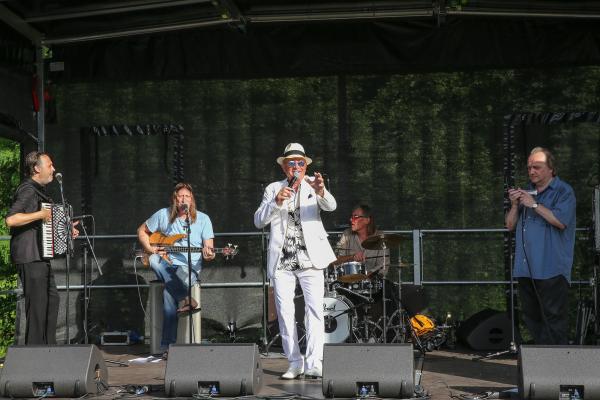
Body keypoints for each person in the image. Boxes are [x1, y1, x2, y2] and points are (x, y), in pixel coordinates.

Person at [254, 143, 336, 379]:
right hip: (282, 261)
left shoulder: (313, 184)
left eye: (301, 163)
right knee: (285, 312)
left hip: (311, 259)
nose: (297, 167)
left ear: (305, 165)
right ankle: (294, 362)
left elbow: (331, 206)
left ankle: (314, 363)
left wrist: (321, 191)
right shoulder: (273, 189)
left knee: (314, 312)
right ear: (284, 168)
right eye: (291, 163)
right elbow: (259, 221)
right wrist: (276, 202)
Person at [6, 151, 78, 345]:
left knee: (51, 301)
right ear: (37, 168)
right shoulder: (28, 190)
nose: (54, 169)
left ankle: (47, 349)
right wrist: (39, 214)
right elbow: (11, 219)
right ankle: (34, 353)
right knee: (37, 307)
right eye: (50, 165)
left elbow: (47, 221)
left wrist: (67, 228)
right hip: (29, 256)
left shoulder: (40, 191)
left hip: (40, 256)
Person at [505, 147, 576, 345]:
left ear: (551, 169)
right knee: (531, 317)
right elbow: (509, 226)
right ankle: (539, 363)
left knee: (553, 320)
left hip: (551, 268)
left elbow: (560, 222)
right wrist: (513, 205)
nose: (532, 171)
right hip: (526, 269)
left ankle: (555, 368)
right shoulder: (527, 192)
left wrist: (534, 205)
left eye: (537, 167)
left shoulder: (564, 191)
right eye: (529, 168)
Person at [137, 182, 215, 352]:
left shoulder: (203, 219)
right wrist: (150, 248)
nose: (184, 199)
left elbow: (209, 247)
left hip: (189, 267)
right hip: (168, 263)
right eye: (180, 196)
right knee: (154, 259)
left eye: (187, 196)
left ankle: (167, 347)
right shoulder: (163, 215)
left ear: (192, 199)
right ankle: (187, 299)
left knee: (168, 293)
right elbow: (141, 231)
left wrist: (210, 254)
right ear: (174, 199)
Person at [333, 204, 389, 276]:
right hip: (349, 281)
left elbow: (383, 265)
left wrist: (365, 277)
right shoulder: (347, 234)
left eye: (355, 217)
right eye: (351, 217)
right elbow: (335, 260)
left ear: (367, 220)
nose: (351, 219)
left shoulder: (380, 237)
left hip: (372, 283)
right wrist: (352, 257)